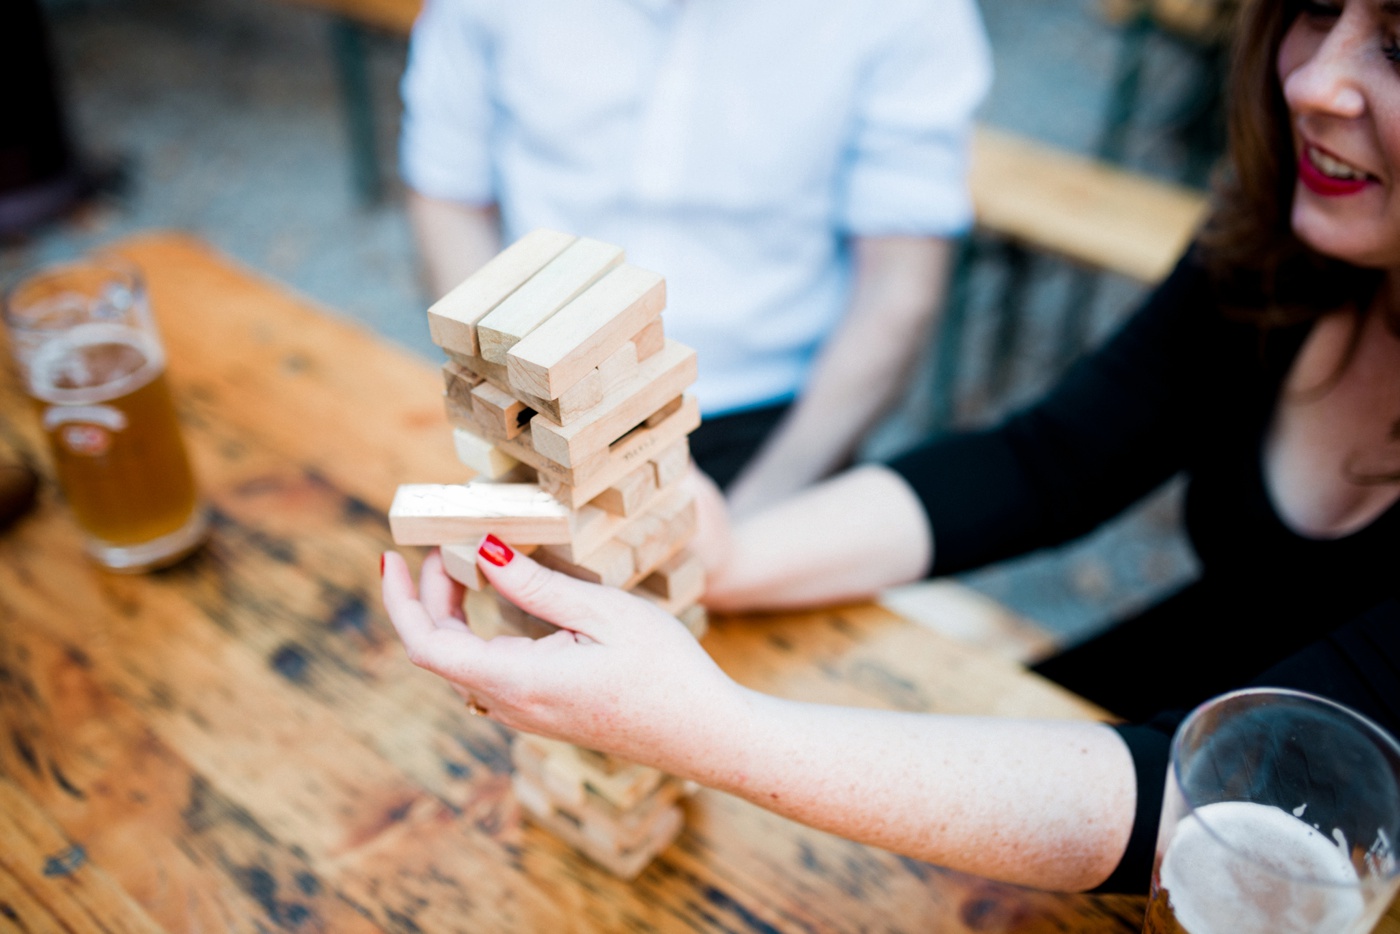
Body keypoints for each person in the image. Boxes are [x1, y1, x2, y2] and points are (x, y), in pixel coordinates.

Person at [382, 0, 1400, 894]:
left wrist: (711, 727)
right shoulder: (1285, 244)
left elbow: (1218, 811)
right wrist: (720, 549)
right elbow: (1046, 461)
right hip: (1168, 690)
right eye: (1313, 6)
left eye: (1397, 42)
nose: (1312, 80)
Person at [397, 0, 992, 506]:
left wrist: (748, 520)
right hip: (539, 392)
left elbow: (899, 289)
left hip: (775, 415)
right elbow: (448, 191)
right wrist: (504, 393)